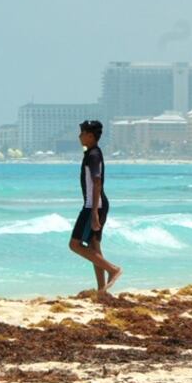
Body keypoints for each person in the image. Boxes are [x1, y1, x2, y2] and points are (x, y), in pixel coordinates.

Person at [68, 120, 123, 295]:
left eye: (82, 133)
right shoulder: (92, 153)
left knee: (75, 244)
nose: (79, 136)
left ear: (90, 136)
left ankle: (113, 269)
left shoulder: (93, 155)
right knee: (93, 247)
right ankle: (102, 291)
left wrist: (93, 213)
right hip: (97, 204)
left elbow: (97, 182)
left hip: (94, 205)